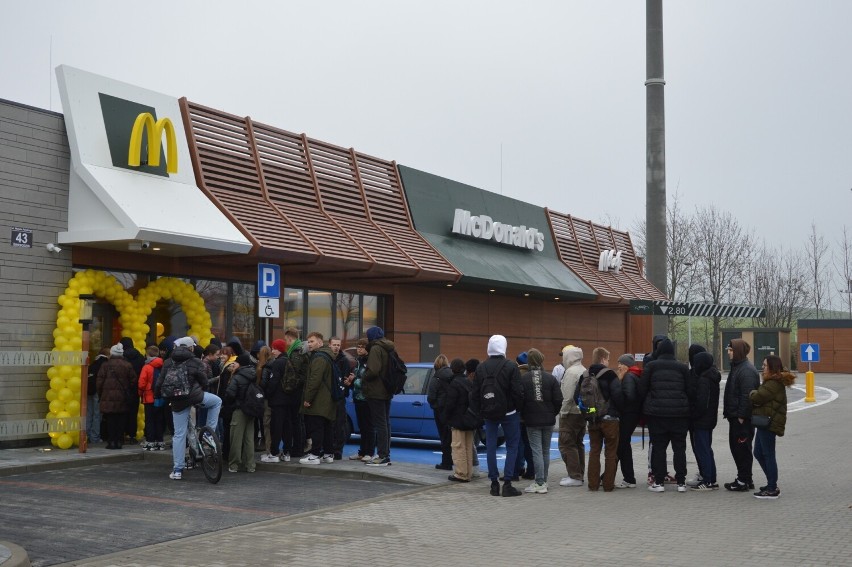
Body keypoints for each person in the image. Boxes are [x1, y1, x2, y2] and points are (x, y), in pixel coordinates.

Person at [157, 336, 222, 480]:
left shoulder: (168, 362)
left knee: (179, 435)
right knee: (217, 401)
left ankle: (178, 470)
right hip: (195, 397)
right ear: (191, 348)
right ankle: (208, 434)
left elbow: (160, 383)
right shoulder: (195, 361)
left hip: (177, 401)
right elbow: (204, 381)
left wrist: (161, 397)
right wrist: (201, 390)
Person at [470, 334, 524, 497]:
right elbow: (517, 391)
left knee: (490, 447)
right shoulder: (510, 366)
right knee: (512, 446)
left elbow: (474, 393)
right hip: (509, 412)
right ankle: (507, 483)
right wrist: (518, 408)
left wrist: (480, 411)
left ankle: (494, 483)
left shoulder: (481, 367)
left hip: (489, 412)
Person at [638, 338, 691, 492]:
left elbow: (642, 388)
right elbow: (690, 390)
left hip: (657, 414)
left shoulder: (651, 366)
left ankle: (659, 482)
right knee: (679, 448)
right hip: (679, 414)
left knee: (659, 448)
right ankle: (681, 482)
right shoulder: (682, 367)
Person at [749, 355, 795, 499]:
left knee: (768, 454)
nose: (762, 368)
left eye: (765, 365)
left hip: (769, 423)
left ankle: (772, 488)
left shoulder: (773, 383)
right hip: (765, 422)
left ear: (772, 367)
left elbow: (757, 397)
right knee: (758, 453)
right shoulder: (772, 381)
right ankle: (771, 482)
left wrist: (752, 392)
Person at [519, 349, 562, 494]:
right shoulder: (550, 378)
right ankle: (544, 480)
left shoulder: (524, 379)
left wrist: (524, 415)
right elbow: (558, 399)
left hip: (531, 420)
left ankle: (540, 482)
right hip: (548, 419)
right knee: (545, 451)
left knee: (536, 450)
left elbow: (519, 400)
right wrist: (552, 412)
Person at [722, 339, 761, 492]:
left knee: (742, 449)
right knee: (738, 448)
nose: (728, 352)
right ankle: (745, 478)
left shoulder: (746, 370)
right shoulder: (738, 367)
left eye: (731, 350)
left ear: (737, 351)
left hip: (742, 419)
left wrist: (741, 416)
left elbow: (747, 395)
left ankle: (743, 480)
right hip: (736, 416)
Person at [299, 332, 337, 465]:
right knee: (326, 427)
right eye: (308, 342)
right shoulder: (327, 356)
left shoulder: (319, 358)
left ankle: (315, 455)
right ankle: (328, 454)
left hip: (319, 399)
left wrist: (308, 398)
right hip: (327, 399)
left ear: (320, 343)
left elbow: (314, 380)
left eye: (312, 341)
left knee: (316, 427)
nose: (309, 344)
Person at [363, 326, 396, 467]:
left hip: (376, 391)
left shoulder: (376, 348)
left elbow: (373, 371)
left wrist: (364, 376)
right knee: (385, 423)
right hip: (387, 389)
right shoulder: (388, 347)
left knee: (380, 423)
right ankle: (385, 454)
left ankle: (382, 455)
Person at [688, 352, 721, 491]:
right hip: (710, 419)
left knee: (703, 450)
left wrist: (693, 415)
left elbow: (702, 403)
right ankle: (711, 479)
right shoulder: (713, 376)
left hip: (701, 420)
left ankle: (708, 481)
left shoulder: (704, 379)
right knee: (707, 449)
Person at [443, 358, 479, 482]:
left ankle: (461, 473)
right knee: (468, 447)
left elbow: (450, 404)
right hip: (470, 420)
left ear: (453, 369)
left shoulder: (454, 383)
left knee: (458, 447)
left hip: (458, 420)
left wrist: (446, 418)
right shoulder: (469, 382)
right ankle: (468, 472)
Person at [96, 343, 137, 450]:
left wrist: (101, 394)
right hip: (123, 397)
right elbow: (133, 381)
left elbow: (99, 382)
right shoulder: (127, 365)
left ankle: (111, 441)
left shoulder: (105, 365)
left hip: (108, 396)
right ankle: (119, 441)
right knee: (121, 420)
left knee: (110, 420)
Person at [557, 345, 586, 487]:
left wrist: (562, 412)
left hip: (570, 413)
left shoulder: (570, 372)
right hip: (582, 413)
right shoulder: (584, 370)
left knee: (567, 444)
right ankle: (579, 473)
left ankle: (574, 476)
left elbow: (567, 397)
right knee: (578, 443)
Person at [225, 353, 259, 473]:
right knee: (249, 438)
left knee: (236, 438)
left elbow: (230, 394)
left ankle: (234, 464)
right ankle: (250, 465)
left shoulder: (238, 377)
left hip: (239, 409)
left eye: (236, 362)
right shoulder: (253, 373)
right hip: (251, 409)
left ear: (240, 364)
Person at [614, 354, 642, 489]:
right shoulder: (634, 375)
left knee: (621, 445)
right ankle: (629, 478)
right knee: (624, 446)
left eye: (621, 363)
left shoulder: (629, 377)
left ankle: (627, 478)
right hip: (632, 416)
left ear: (627, 365)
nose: (618, 366)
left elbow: (628, 396)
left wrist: (619, 382)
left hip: (628, 416)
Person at [348, 338, 375, 461]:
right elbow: (358, 377)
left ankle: (369, 452)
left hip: (367, 398)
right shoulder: (359, 361)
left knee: (368, 426)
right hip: (358, 397)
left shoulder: (370, 361)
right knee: (362, 427)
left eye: (362, 347)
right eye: (358, 346)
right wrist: (351, 380)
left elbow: (367, 381)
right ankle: (362, 452)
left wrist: (354, 380)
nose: (359, 349)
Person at [329, 336, 355, 460]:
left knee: (339, 424)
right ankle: (329, 448)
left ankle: (338, 450)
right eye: (334, 344)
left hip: (339, 397)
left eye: (338, 345)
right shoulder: (327, 358)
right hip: (328, 397)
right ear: (329, 345)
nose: (336, 347)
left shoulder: (343, 360)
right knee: (329, 424)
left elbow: (345, 379)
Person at [427, 354, 454, 470]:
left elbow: (431, 397)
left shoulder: (436, 377)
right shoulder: (453, 375)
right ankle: (454, 461)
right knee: (453, 437)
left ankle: (446, 462)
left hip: (441, 411)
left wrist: (435, 405)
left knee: (444, 437)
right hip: (452, 410)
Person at [138, 345, 165, 451]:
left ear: (147, 354)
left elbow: (141, 383)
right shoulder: (162, 365)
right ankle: (160, 442)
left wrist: (141, 393)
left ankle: (150, 442)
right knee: (159, 420)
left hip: (149, 397)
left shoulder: (147, 367)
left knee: (150, 420)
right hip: (160, 397)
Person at [86, 348, 109, 444]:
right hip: (98, 392)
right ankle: (95, 437)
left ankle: (86, 434)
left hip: (89, 390)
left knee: (89, 413)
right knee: (97, 415)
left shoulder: (93, 363)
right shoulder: (105, 364)